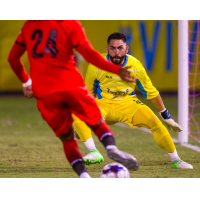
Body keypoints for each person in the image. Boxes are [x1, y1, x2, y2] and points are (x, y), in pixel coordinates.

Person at [8, 21, 139, 178]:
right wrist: (117, 69)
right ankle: (111, 147)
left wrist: (26, 82)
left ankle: (84, 176)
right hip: (70, 85)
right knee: (96, 121)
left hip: (45, 93)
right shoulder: (70, 24)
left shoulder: (30, 25)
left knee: (67, 139)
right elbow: (89, 54)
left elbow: (12, 58)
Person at [74, 32, 193, 169]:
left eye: (120, 48)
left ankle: (176, 160)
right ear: (107, 49)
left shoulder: (135, 66)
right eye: (112, 48)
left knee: (155, 122)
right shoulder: (96, 65)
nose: (116, 52)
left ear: (126, 49)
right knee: (76, 114)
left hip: (129, 105)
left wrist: (165, 114)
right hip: (103, 106)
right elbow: (87, 92)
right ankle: (93, 152)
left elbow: (150, 91)